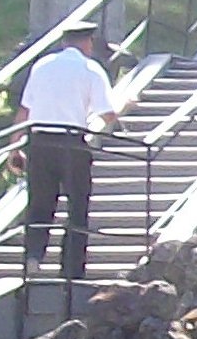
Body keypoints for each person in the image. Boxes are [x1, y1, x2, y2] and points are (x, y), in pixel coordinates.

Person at [7, 20, 118, 284]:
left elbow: (25, 110)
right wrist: (125, 107)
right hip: (71, 144)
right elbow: (107, 114)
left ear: (64, 41)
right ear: (88, 42)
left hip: (39, 143)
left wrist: (14, 147)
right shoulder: (91, 69)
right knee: (77, 206)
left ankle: (34, 256)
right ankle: (71, 269)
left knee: (39, 204)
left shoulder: (42, 66)